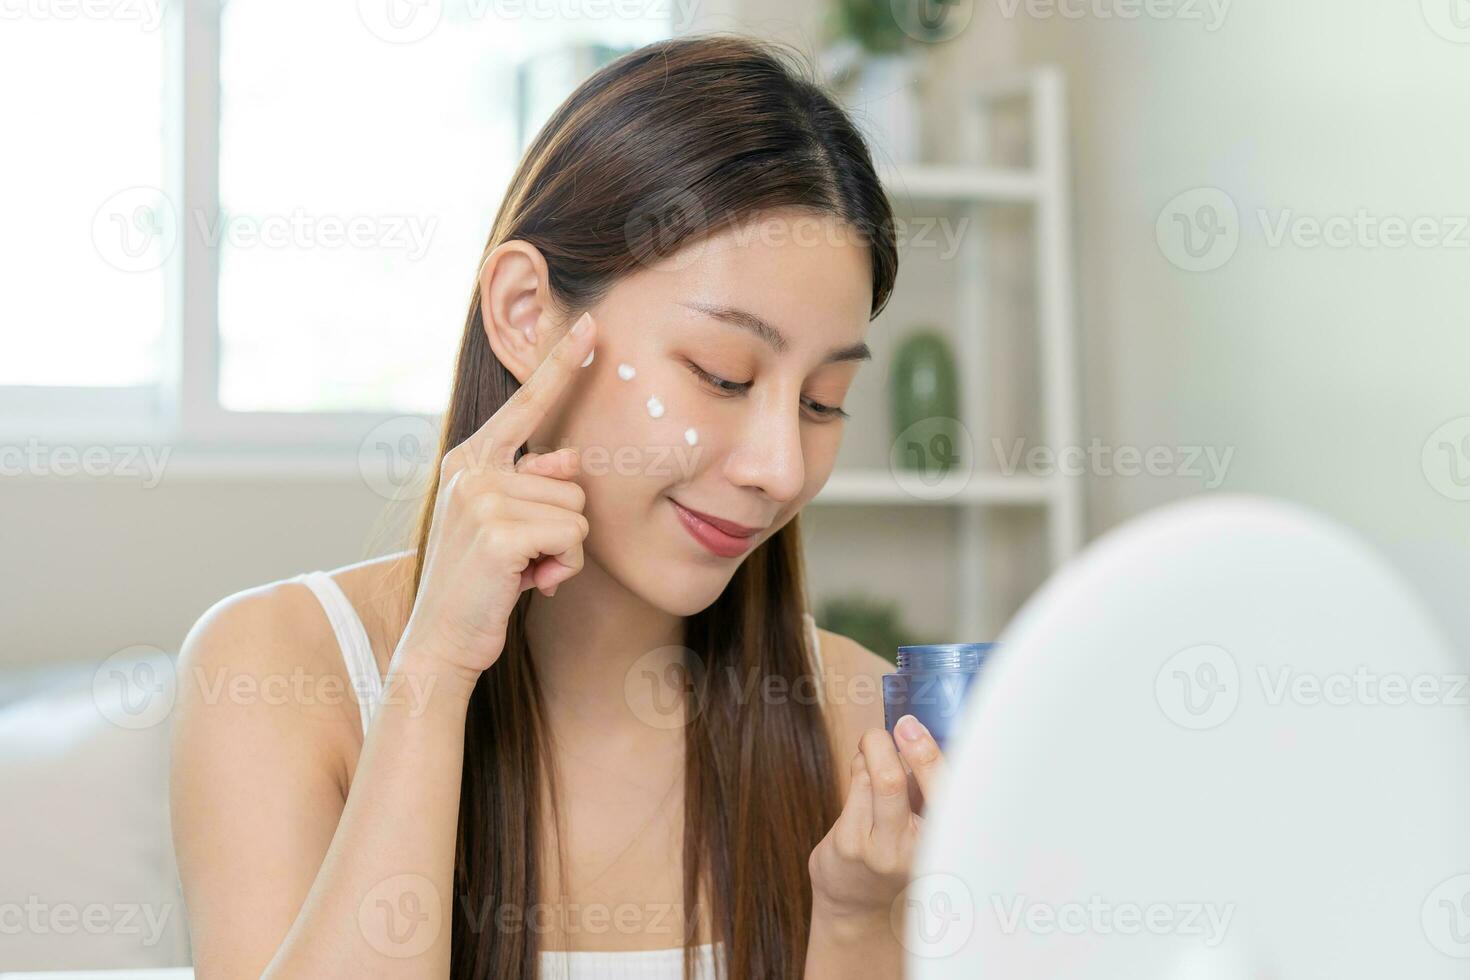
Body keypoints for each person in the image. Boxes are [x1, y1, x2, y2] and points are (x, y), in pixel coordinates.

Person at [169, 33, 946, 979]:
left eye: (823, 401)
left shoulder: (863, 721)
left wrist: (860, 923)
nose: (783, 468)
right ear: (528, 313)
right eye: (722, 374)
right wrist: (435, 674)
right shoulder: (279, 672)